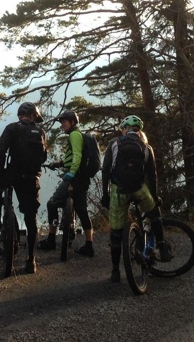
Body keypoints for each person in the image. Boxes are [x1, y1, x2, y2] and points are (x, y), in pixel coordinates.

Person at [0, 102, 47, 274]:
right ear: (33, 116)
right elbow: (43, 157)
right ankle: (31, 260)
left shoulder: (12, 128)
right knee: (31, 219)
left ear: (20, 115)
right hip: (31, 179)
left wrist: (0, 171)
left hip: (12, 175)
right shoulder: (40, 132)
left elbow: (1, 150)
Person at [101, 115, 171, 283]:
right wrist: (155, 196)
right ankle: (162, 247)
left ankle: (115, 271)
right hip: (139, 190)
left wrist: (105, 193)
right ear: (139, 130)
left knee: (116, 233)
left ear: (125, 128)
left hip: (119, 191)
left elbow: (106, 170)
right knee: (153, 212)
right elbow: (152, 176)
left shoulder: (114, 144)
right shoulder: (146, 147)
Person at [38, 110, 96, 257]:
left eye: (64, 122)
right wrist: (60, 163)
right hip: (83, 179)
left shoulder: (74, 135)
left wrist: (71, 173)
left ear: (72, 122)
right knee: (82, 210)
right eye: (62, 122)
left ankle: (51, 239)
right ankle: (89, 245)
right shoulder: (78, 135)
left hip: (74, 178)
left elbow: (77, 156)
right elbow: (74, 157)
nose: (62, 125)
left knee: (52, 204)